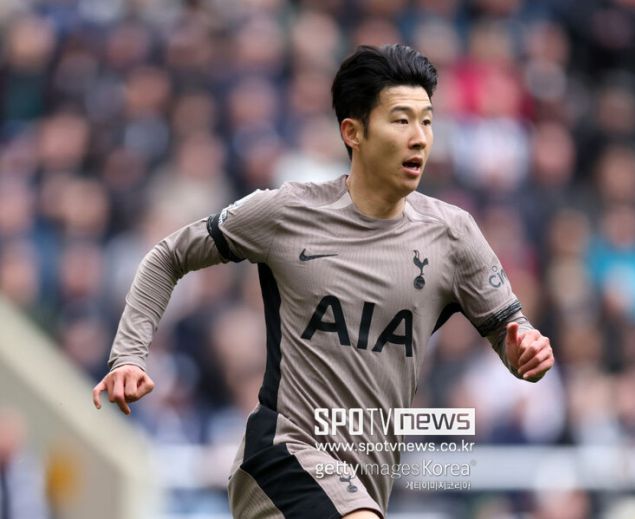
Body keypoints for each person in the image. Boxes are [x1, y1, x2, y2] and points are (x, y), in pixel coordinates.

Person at [92, 44, 554, 519]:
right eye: (401, 121)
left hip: (367, 476)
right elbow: (168, 256)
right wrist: (128, 354)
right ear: (353, 132)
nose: (419, 138)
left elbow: (512, 334)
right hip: (282, 457)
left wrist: (525, 352)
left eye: (427, 122)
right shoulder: (288, 212)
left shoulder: (453, 235)